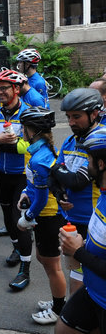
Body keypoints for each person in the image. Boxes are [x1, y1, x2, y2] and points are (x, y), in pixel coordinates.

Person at [48, 88, 103, 295]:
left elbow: (77, 180)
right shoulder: (71, 140)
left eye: (76, 116)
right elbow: (52, 176)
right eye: (68, 117)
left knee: (88, 275)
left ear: (94, 113)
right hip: (71, 219)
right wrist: (58, 193)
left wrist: (56, 169)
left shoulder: (98, 143)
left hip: (93, 222)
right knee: (75, 270)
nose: (71, 122)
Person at [15, 107, 67, 325]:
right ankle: (58, 301)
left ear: (32, 131)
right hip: (43, 214)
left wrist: (26, 217)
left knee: (52, 265)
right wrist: (25, 193)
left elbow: (43, 197)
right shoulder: (40, 151)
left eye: (23, 128)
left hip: (48, 215)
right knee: (44, 259)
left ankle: (58, 309)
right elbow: (34, 185)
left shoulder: (40, 157)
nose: (20, 132)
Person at [0, 69, 32, 290]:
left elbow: (28, 147)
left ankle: (25, 269)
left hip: (22, 175)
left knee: (19, 220)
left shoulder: (29, 114)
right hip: (1, 174)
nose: (0, 92)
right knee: (7, 217)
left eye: (4, 88)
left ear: (16, 89)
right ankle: (17, 249)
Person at [54, 128, 106, 334]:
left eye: (89, 159)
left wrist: (78, 252)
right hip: (92, 290)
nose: (86, 164)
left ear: (101, 164)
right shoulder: (102, 192)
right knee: (63, 329)